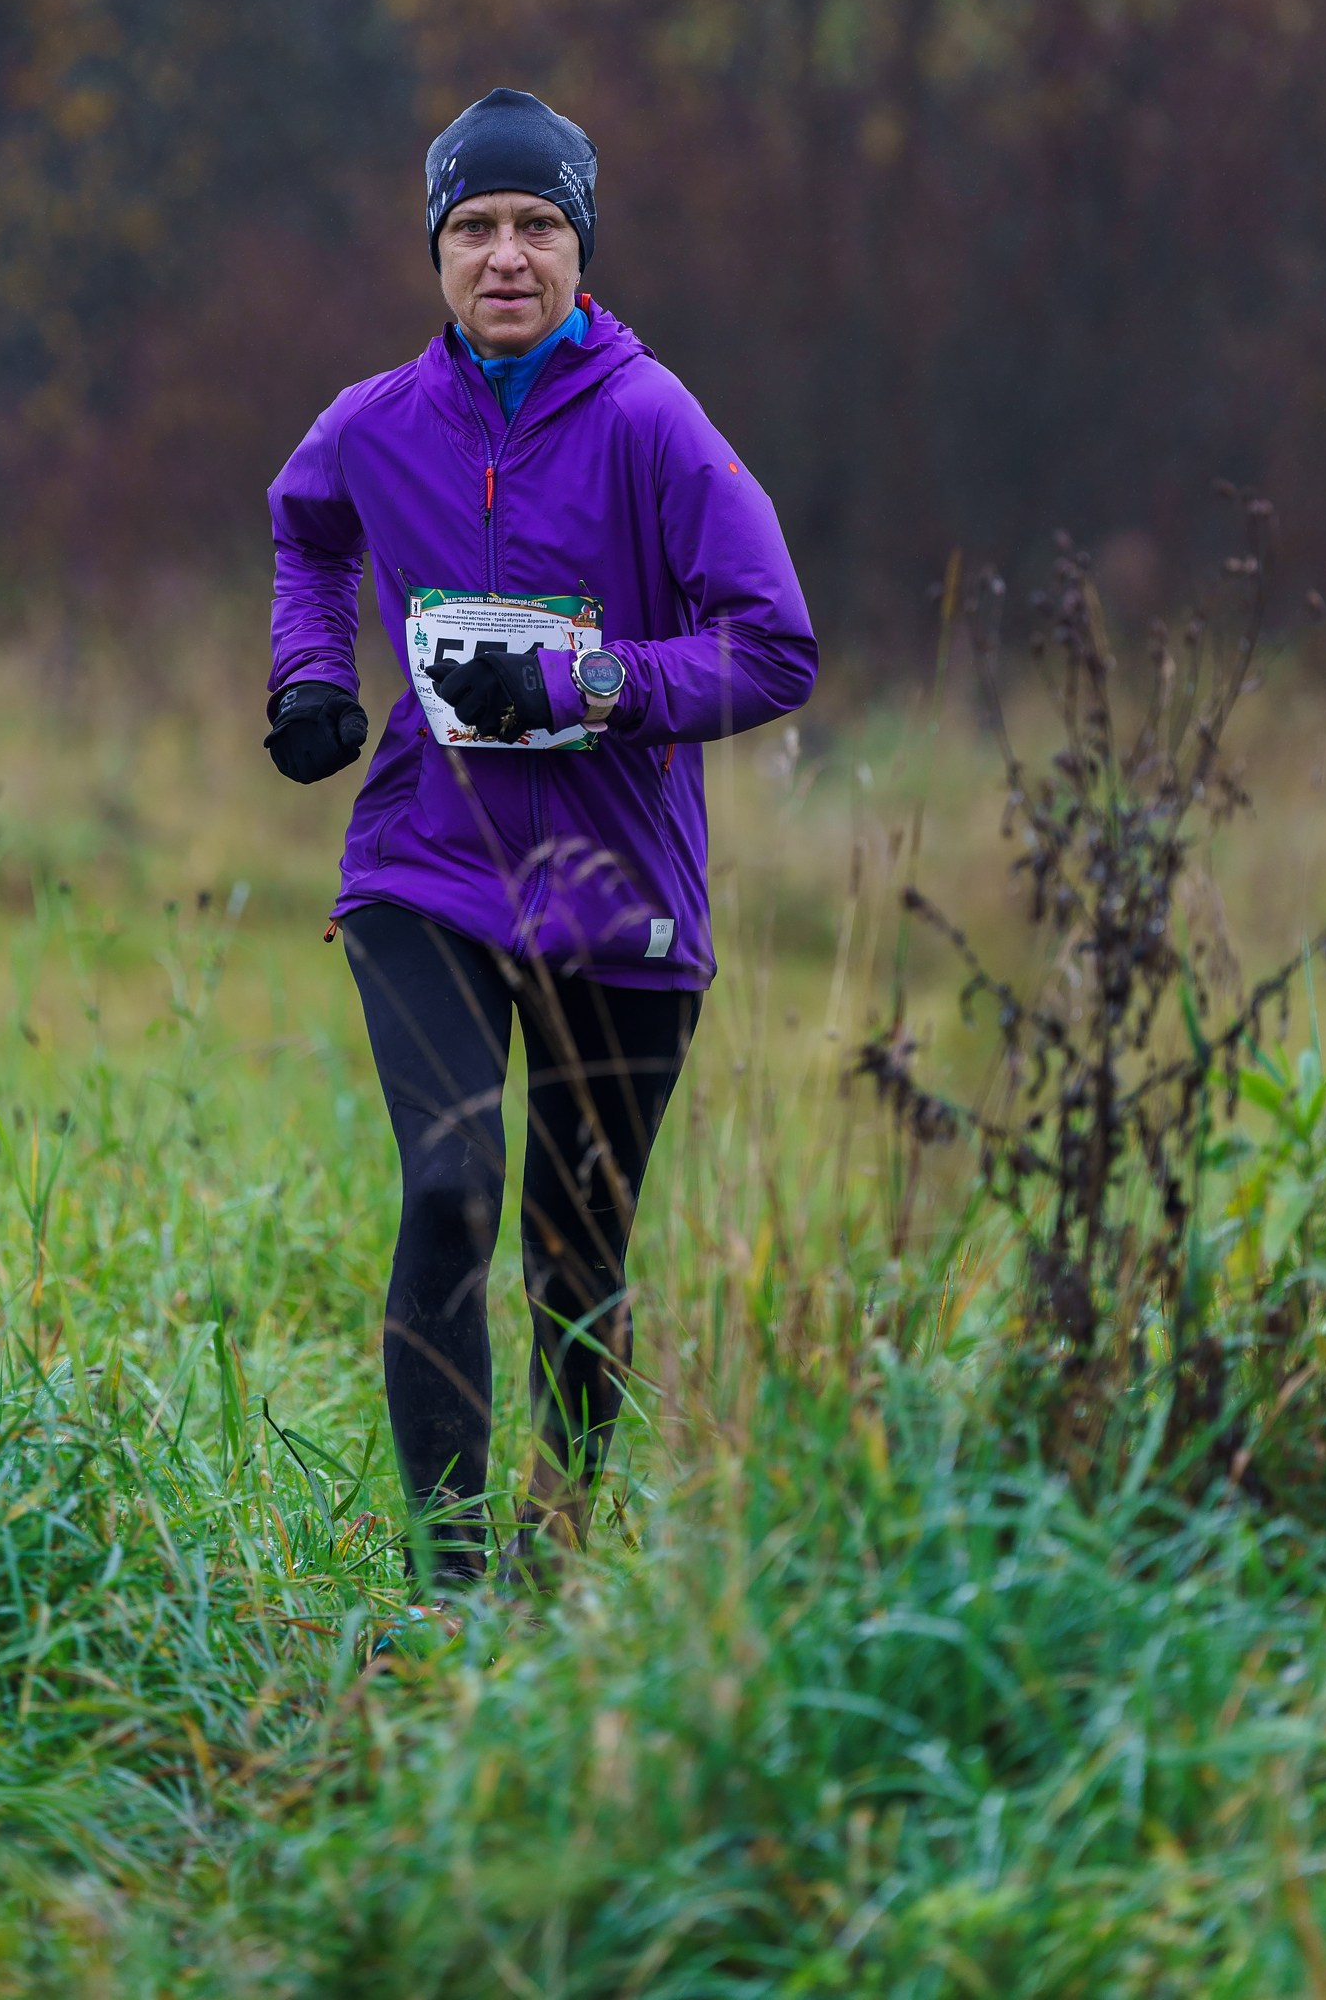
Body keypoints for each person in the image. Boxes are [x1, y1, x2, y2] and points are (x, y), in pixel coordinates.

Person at [265, 86, 817, 1591]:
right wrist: (314, 676)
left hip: (619, 892)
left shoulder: (654, 423)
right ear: (435, 251)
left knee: (579, 1252)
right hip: (426, 865)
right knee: (448, 1188)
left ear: (581, 246)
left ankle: (551, 1554)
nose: (505, 256)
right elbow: (306, 528)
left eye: (537, 226)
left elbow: (775, 647)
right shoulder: (374, 424)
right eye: (473, 228)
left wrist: (597, 685)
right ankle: (446, 1581)